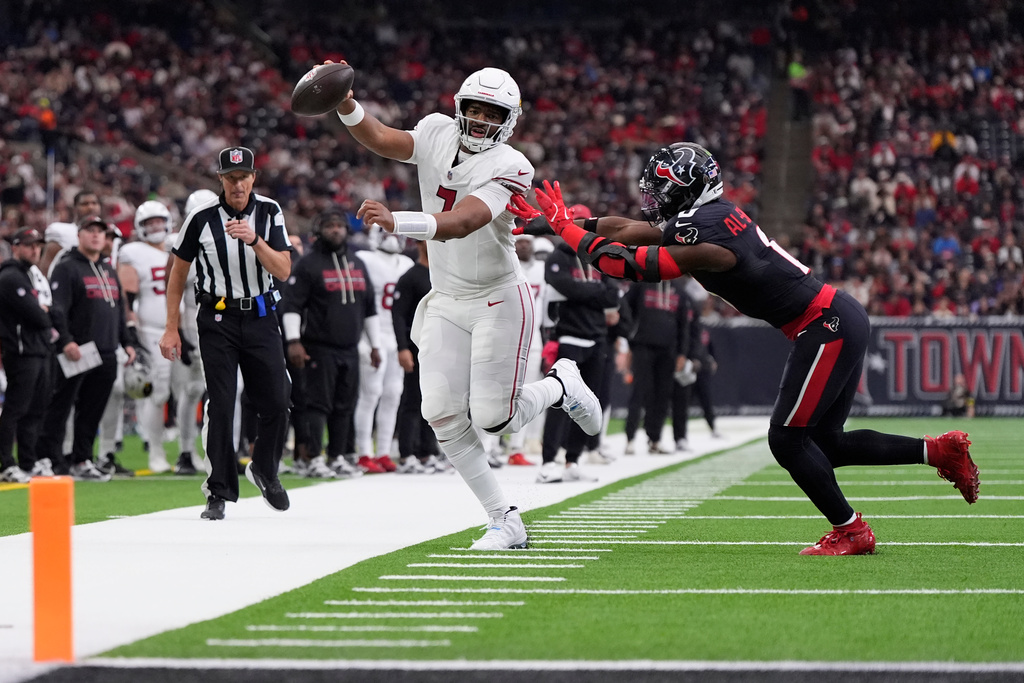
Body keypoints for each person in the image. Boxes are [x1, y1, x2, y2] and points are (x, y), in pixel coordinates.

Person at [510, 142, 980, 556]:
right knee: (825, 444)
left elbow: (625, 264)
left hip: (826, 323)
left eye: (660, 187)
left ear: (686, 189)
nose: (653, 198)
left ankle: (852, 530)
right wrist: (555, 223)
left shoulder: (704, 233)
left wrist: (567, 231)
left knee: (786, 440)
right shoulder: (708, 216)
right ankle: (939, 452)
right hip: (835, 316)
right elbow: (630, 230)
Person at [336, 63, 603, 550]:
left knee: (494, 418)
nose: (480, 120)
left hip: (497, 296)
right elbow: (381, 138)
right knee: (439, 412)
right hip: (446, 297)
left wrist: (396, 220)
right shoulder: (437, 130)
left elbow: (463, 221)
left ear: (509, 119)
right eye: (474, 109)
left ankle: (561, 385)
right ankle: (504, 518)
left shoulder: (513, 164)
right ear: (459, 107)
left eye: (492, 112)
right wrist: (345, 103)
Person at [159, 146, 292, 521]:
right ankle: (218, 489)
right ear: (220, 179)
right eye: (230, 178)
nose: (237, 184)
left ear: (254, 178)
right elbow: (178, 274)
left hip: (261, 314)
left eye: (243, 177)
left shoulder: (269, 212)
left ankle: (264, 468)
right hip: (216, 318)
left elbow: (282, 270)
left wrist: (253, 240)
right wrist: (172, 327)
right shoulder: (200, 217)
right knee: (221, 402)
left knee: (278, 400)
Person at [280, 209, 382, 477]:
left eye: (339, 225)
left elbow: (370, 308)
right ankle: (313, 458)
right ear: (318, 230)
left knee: (345, 405)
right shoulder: (308, 264)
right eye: (329, 225)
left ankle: (337, 456)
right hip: (318, 346)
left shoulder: (358, 263)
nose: (335, 230)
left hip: (350, 347)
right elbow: (291, 305)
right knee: (317, 405)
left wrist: (375, 345)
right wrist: (293, 341)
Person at [38, 216, 137, 481]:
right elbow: (57, 309)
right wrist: (66, 341)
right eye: (90, 231)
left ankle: (81, 460)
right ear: (79, 235)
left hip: (105, 352)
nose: (96, 236)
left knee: (92, 410)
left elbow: (118, 310)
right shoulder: (67, 267)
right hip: (77, 351)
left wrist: (126, 342)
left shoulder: (108, 268)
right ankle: (49, 458)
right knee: (61, 406)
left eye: (100, 232)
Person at [536, 237, 620, 484]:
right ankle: (548, 462)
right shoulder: (558, 256)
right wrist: (596, 292)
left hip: (597, 338)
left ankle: (573, 460)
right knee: (559, 402)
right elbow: (562, 285)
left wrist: (580, 292)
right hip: (567, 337)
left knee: (588, 404)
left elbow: (613, 297)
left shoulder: (599, 257)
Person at [118, 200, 177, 474]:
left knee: (190, 392)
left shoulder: (179, 244)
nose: (155, 227)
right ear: (140, 228)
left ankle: (188, 450)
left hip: (185, 330)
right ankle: (155, 450)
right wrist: (131, 327)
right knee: (157, 392)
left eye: (158, 221)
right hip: (153, 330)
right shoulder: (133, 253)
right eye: (148, 223)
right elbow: (127, 297)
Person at [353, 224, 414, 471]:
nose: (391, 238)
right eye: (385, 233)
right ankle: (364, 452)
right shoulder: (364, 259)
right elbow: (361, 301)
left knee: (393, 393)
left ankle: (384, 451)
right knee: (370, 393)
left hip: (396, 336)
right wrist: (363, 340)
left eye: (394, 232)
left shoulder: (406, 264)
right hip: (373, 333)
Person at [165, 189, 217, 476]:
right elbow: (172, 289)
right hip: (192, 325)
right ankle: (186, 450)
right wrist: (177, 330)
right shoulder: (180, 244)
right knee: (193, 389)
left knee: (226, 390)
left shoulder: (225, 235)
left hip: (219, 322)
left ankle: (219, 451)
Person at [0, 229, 55, 482]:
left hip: (39, 350)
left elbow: (47, 312)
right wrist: (42, 312)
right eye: (29, 245)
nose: (35, 250)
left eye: (38, 246)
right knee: (16, 408)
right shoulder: (11, 276)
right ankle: (7, 464)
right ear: (16, 247)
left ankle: (28, 461)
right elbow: (39, 316)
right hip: (22, 351)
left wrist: (43, 311)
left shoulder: (30, 275)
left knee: (36, 409)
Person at [391, 240, 445, 473]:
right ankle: (406, 454)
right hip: (416, 345)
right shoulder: (410, 277)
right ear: (421, 245)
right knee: (412, 400)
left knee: (435, 401)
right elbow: (398, 315)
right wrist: (402, 347)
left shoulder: (445, 275)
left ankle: (427, 450)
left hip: (440, 346)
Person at [622, 279, 692, 455]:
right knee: (640, 391)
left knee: (662, 395)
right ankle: (630, 438)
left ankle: (655, 439)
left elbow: (683, 324)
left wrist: (682, 353)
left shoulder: (678, 290)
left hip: (668, 350)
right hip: (642, 346)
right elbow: (625, 305)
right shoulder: (642, 284)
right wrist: (628, 336)